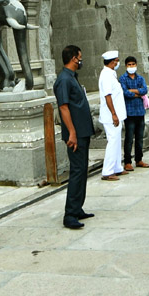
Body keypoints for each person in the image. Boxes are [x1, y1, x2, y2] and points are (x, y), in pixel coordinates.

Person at [54, 45, 94, 229]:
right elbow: (63, 107)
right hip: (75, 134)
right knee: (77, 171)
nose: (81, 60)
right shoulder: (63, 80)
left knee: (82, 170)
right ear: (73, 58)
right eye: (79, 57)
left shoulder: (72, 78)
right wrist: (71, 132)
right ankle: (69, 214)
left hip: (83, 131)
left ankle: (78, 207)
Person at [119, 56, 149, 171]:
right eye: (129, 65)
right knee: (129, 138)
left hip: (140, 111)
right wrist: (137, 93)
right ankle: (127, 161)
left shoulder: (140, 78)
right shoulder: (122, 78)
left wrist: (133, 91)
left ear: (136, 65)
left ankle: (139, 159)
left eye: (133, 64)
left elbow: (145, 90)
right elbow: (125, 92)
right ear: (126, 66)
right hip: (129, 112)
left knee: (139, 137)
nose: (131, 66)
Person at [98, 50, 125, 180]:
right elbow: (107, 96)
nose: (118, 62)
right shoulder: (106, 75)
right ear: (113, 61)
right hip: (110, 115)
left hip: (117, 114)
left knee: (117, 140)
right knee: (112, 141)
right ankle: (107, 171)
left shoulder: (111, 74)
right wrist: (113, 114)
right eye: (116, 60)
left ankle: (117, 167)